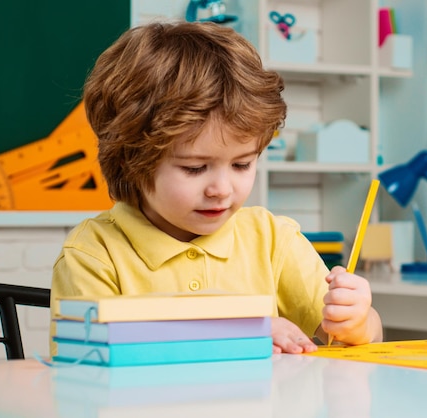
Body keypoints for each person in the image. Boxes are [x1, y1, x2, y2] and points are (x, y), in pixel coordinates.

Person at [50, 20, 382, 355]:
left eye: (241, 164)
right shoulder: (94, 253)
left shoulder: (272, 240)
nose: (221, 189)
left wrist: (357, 322)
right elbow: (89, 358)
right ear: (130, 160)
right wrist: (239, 333)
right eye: (194, 168)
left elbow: (358, 342)